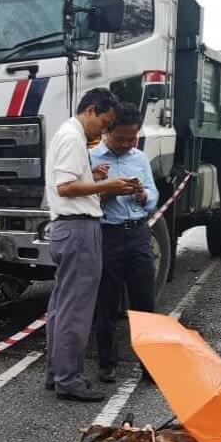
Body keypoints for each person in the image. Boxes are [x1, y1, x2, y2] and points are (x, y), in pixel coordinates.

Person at [44, 89, 138, 402]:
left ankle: (56, 372)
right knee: (76, 310)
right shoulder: (73, 137)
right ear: (92, 111)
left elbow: (70, 181)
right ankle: (69, 380)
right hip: (79, 229)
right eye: (105, 123)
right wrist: (106, 185)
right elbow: (66, 187)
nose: (104, 131)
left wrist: (91, 175)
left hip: (66, 229)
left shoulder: (66, 134)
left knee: (61, 305)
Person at [89, 104, 159, 384]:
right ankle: (107, 363)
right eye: (122, 139)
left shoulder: (139, 157)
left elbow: (153, 193)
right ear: (107, 131)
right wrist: (105, 190)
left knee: (144, 302)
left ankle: (150, 365)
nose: (128, 144)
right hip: (108, 235)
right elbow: (82, 202)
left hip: (139, 234)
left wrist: (142, 195)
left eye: (133, 138)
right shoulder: (90, 158)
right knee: (106, 302)